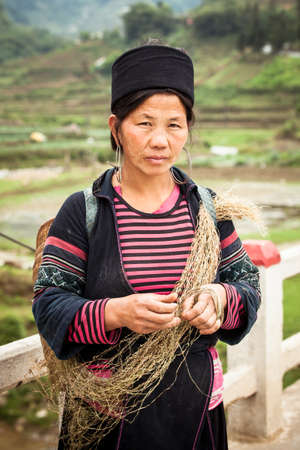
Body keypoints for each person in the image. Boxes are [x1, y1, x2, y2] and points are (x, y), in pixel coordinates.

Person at [33, 42, 261, 450]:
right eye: (144, 123)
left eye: (174, 124)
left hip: (197, 418)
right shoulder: (84, 211)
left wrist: (219, 300)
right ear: (115, 127)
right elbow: (49, 305)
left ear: (188, 128)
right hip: (106, 421)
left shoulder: (209, 209)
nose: (160, 140)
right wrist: (116, 312)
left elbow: (246, 285)